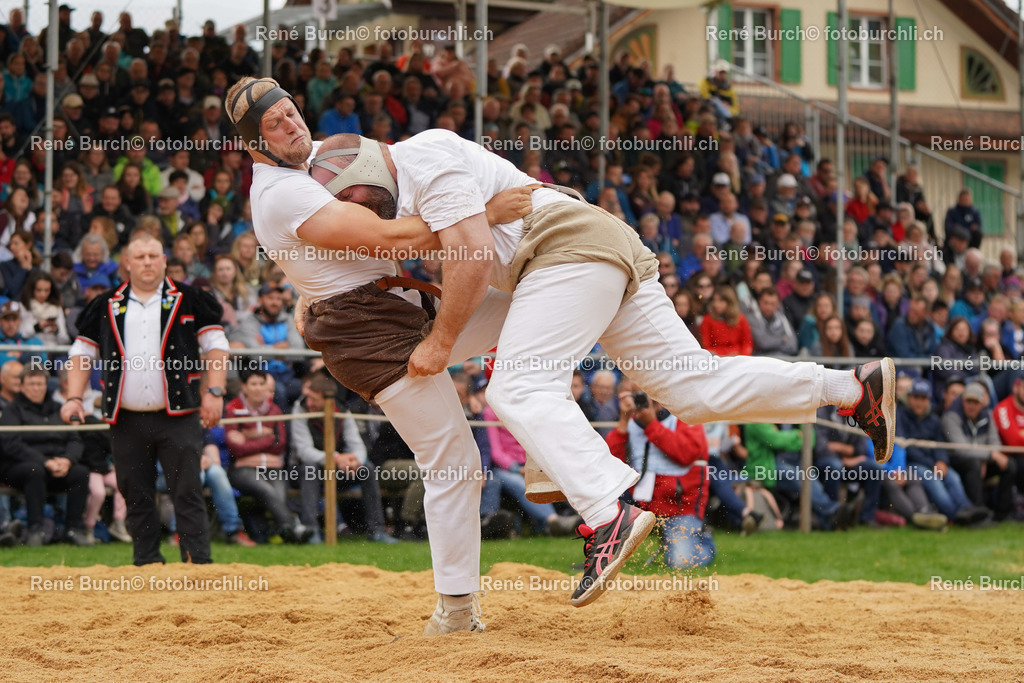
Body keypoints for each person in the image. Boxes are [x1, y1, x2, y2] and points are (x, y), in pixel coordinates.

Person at [234, 76, 896, 628]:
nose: (358, 212)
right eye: (276, 123)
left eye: (360, 201)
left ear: (377, 181)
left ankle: (608, 512)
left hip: (562, 251)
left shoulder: (424, 159)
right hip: (586, 252)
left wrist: (438, 342)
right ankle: (853, 388)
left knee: (517, 389)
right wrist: (312, 287)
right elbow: (387, 245)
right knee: (695, 386)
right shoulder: (360, 179)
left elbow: (459, 261)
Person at [227, 76, 532, 636]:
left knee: (537, 307)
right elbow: (390, 241)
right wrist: (481, 212)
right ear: (253, 143)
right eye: (276, 125)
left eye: (292, 113)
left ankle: (545, 449)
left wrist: (304, 288)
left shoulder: (315, 161)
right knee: (453, 461)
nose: (293, 127)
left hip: (393, 311)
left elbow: (340, 239)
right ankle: (456, 611)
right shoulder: (280, 192)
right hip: (366, 338)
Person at [61, 233, 230, 566]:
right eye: (140, 257)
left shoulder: (192, 298)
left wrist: (215, 391)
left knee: (187, 490)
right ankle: (147, 561)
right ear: (127, 262)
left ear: (165, 260)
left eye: (154, 256)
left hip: (179, 413)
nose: (147, 262)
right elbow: (82, 352)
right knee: (134, 492)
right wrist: (73, 398)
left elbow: (216, 345)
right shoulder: (106, 303)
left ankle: (198, 565)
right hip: (125, 416)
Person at [607, 389, 714, 568]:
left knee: (680, 562)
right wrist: (623, 421)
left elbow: (686, 453)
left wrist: (651, 424)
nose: (646, 401)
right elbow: (610, 463)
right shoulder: (631, 423)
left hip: (679, 508)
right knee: (604, 528)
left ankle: (704, 541)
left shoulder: (685, 417)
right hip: (640, 505)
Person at [291, 372, 396, 543]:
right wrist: (337, 458)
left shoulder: (341, 410)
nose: (309, 403)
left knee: (367, 469)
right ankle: (312, 531)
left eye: (314, 399)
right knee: (309, 469)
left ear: (328, 401)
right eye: (308, 397)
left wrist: (355, 461)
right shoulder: (300, 409)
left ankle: (377, 530)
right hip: (302, 472)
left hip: (337, 469)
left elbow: (357, 446)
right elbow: (304, 451)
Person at [0, 366, 92, 546]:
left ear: (46, 385)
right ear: (22, 385)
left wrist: (67, 460)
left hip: (57, 466)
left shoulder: (59, 409)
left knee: (80, 473)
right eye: (32, 384)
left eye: (40, 384)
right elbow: (11, 445)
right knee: (35, 471)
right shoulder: (13, 410)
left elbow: (75, 440)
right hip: (20, 467)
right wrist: (45, 462)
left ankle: (73, 529)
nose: (36, 388)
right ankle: (36, 529)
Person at [224, 367, 312, 543]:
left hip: (271, 467)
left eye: (261, 384)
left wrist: (249, 438)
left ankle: (282, 532)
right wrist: (266, 438)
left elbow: (280, 445)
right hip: (242, 470)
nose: (257, 388)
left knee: (278, 493)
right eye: (253, 384)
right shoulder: (233, 409)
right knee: (266, 489)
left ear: (267, 387)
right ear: (244, 387)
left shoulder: (275, 410)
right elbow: (236, 449)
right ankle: (293, 526)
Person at [943, 382, 1017, 520]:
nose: (971, 405)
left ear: (982, 403)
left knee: (1010, 465)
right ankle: (979, 511)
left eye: (975, 402)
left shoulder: (988, 416)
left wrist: (986, 458)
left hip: (980, 459)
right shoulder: (951, 417)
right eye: (968, 401)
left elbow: (995, 442)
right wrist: (989, 455)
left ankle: (1003, 513)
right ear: (963, 400)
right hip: (957, 461)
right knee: (973, 464)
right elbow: (961, 449)